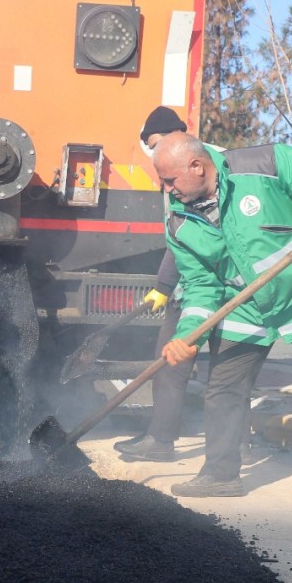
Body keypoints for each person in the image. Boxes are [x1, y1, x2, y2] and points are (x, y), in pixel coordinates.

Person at [152, 132, 292, 507]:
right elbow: (201, 286)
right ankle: (221, 475)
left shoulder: (262, 164)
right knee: (223, 390)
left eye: (170, 179)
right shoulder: (178, 222)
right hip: (245, 308)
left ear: (196, 165)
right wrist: (188, 335)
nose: (167, 189)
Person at [114, 106, 190, 463]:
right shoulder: (171, 175)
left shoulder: (200, 169)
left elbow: (194, 237)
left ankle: (231, 448)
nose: (156, 154)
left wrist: (168, 283)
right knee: (170, 362)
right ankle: (160, 440)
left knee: (227, 372)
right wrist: (164, 286)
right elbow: (178, 238)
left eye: (157, 143)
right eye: (151, 148)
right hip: (190, 288)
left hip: (217, 289)